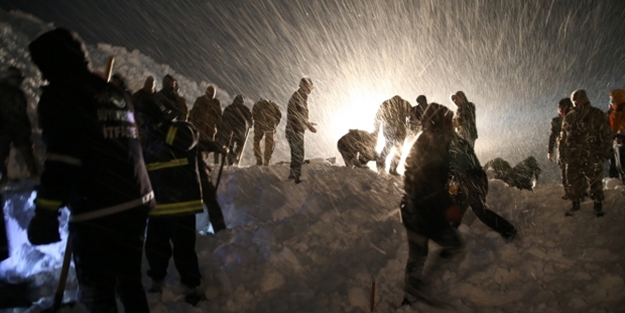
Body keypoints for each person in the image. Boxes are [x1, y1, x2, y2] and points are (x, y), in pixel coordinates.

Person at [27, 28, 155, 312]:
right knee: (129, 282)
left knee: (98, 292)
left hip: (99, 207)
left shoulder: (62, 95)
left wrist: (46, 212)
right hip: (136, 198)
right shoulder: (116, 93)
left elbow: (63, 157)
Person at [137, 93, 206, 304]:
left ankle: (191, 287)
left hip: (181, 205)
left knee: (184, 249)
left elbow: (184, 140)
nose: (142, 123)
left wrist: (159, 124)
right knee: (155, 247)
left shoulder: (184, 128)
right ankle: (156, 282)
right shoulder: (149, 139)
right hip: (158, 206)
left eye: (144, 118)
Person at [400, 103, 463, 306]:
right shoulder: (429, 142)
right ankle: (414, 290)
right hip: (421, 211)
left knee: (418, 254)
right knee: (450, 244)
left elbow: (436, 175)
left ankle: (412, 293)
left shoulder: (434, 141)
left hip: (417, 209)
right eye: (447, 121)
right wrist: (447, 205)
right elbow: (427, 178)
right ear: (436, 123)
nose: (451, 126)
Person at [448, 132, 516, 239]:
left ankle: (508, 231)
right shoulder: (457, 142)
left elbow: (453, 171)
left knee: (474, 208)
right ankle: (451, 236)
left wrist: (451, 190)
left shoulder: (450, 145)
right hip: (474, 179)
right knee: (465, 207)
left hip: (471, 180)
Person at [559, 89, 612, 217]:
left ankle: (598, 204)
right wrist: (562, 154)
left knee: (595, 181)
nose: (575, 103)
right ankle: (575, 203)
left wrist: (604, 152)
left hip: (592, 154)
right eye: (574, 101)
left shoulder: (597, 114)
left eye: (577, 100)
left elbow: (606, 135)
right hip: (573, 156)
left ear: (584, 99)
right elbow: (563, 138)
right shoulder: (569, 117)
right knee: (573, 180)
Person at [0, 66, 39, 190]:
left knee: (23, 151)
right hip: (9, 128)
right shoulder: (14, 93)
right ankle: (32, 174)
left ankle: (33, 174)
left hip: (12, 129)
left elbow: (21, 113)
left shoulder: (15, 93)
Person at [286, 77, 317, 183]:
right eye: (309, 88)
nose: (310, 91)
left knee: (297, 153)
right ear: (304, 86)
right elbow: (297, 115)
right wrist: (308, 125)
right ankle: (295, 178)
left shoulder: (301, 97)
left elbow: (300, 115)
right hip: (294, 130)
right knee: (298, 153)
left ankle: (294, 176)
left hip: (296, 129)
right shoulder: (298, 97)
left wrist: (307, 123)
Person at [373, 95, 411, 175]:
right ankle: (391, 168)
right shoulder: (404, 103)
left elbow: (378, 116)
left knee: (389, 147)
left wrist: (377, 129)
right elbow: (412, 115)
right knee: (397, 149)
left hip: (392, 129)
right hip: (398, 130)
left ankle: (383, 166)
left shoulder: (387, 103)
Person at [190, 85, 222, 164]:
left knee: (207, 147)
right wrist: (193, 123)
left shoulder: (216, 103)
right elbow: (193, 113)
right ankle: (197, 161)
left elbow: (219, 117)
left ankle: (202, 161)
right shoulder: (200, 100)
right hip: (199, 127)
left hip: (209, 129)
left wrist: (219, 132)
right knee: (197, 145)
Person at [217, 95, 253, 166]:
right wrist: (250, 123)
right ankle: (235, 155)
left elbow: (223, 119)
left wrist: (222, 130)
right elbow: (250, 121)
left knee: (230, 145)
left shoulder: (228, 108)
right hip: (240, 131)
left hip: (229, 131)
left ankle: (231, 158)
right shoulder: (245, 109)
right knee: (240, 144)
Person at [548, 98, 573, 197]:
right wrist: (550, 151)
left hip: (574, 149)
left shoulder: (575, 118)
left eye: (561, 107)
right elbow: (553, 136)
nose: (559, 110)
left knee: (575, 171)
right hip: (562, 149)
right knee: (564, 171)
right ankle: (568, 191)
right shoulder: (557, 121)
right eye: (559, 108)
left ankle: (579, 192)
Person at [251, 98, 282, 166]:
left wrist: (256, 121)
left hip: (259, 122)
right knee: (269, 142)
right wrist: (275, 124)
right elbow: (279, 116)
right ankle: (266, 160)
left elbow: (254, 114)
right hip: (270, 123)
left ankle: (259, 160)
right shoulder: (274, 106)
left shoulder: (258, 105)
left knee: (257, 141)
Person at [607, 89, 625, 182]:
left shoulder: (622, 111)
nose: (611, 102)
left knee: (622, 165)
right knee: (616, 165)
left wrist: (621, 135)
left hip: (622, 140)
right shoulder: (613, 112)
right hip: (615, 141)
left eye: (613, 100)